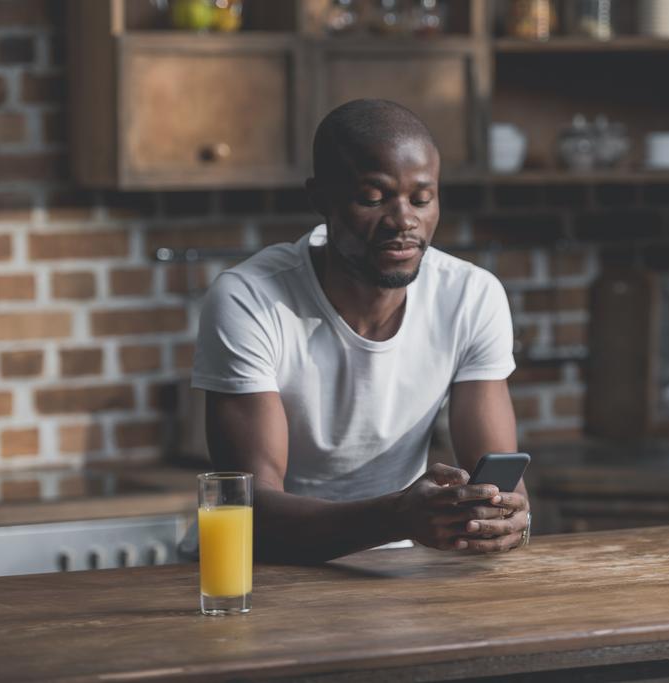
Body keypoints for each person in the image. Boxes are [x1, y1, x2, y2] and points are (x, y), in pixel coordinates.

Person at [191, 99, 530, 564]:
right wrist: (397, 517)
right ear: (320, 199)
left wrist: (506, 516)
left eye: (422, 198)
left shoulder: (470, 296)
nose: (403, 221)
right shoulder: (250, 298)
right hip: (261, 573)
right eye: (373, 198)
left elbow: (497, 474)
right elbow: (248, 512)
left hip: (392, 570)